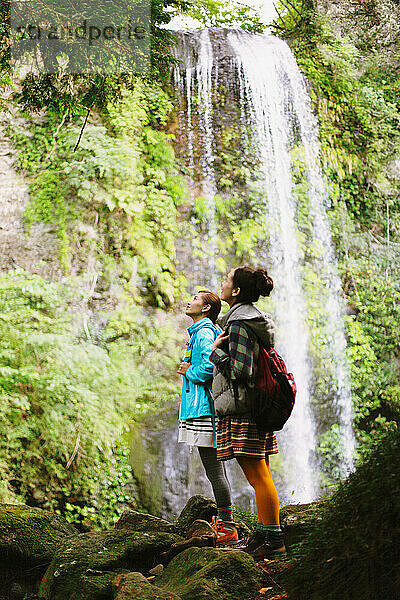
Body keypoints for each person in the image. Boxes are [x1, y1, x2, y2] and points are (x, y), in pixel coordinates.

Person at [209, 266, 286, 559]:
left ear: (237, 291)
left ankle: (274, 540)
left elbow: (242, 370)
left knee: (258, 476)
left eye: (227, 280)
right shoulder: (248, 320)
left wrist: (215, 352)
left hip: (245, 409)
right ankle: (267, 533)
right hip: (252, 406)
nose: (223, 284)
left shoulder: (240, 324)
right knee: (261, 473)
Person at [177, 290, 238, 545]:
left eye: (195, 299)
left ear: (205, 309)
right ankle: (226, 523)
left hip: (204, 409)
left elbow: (208, 368)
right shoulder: (204, 331)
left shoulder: (203, 333)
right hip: (205, 408)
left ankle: (227, 526)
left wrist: (189, 370)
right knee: (216, 469)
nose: (189, 301)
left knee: (214, 470)